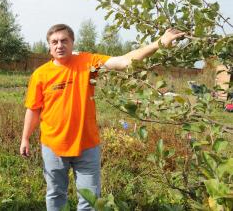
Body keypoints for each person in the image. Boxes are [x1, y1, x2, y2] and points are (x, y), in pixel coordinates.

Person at [19, 24, 184, 211]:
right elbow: (33, 109)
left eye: (64, 40)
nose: (59, 45)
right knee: (56, 194)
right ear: (49, 46)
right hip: (53, 146)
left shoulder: (87, 62)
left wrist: (159, 43)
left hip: (87, 146)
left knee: (90, 201)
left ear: (72, 43)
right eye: (54, 42)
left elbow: (124, 62)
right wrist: (25, 138)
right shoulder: (40, 74)